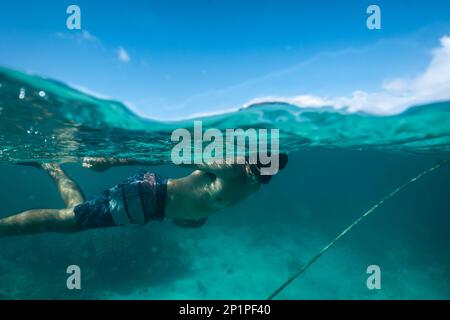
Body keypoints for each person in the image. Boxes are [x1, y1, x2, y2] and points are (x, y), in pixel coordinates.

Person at [0, 154, 288, 237]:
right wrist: (112, 161)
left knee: (76, 213)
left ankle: (52, 168)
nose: (260, 176)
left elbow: (208, 198)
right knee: (70, 221)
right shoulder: (239, 173)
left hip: (150, 201)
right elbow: (173, 154)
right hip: (148, 198)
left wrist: (195, 216)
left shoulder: (248, 182)